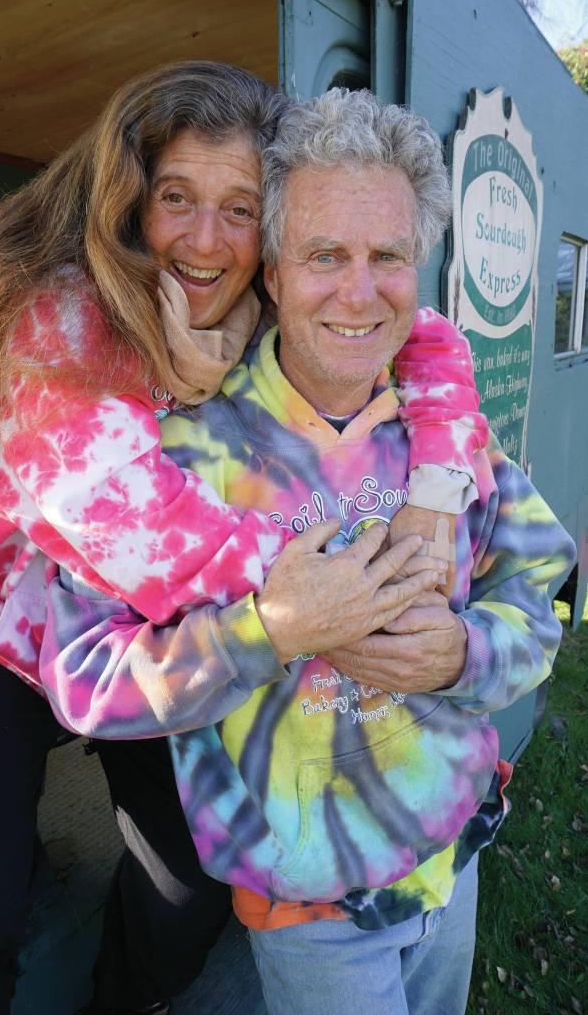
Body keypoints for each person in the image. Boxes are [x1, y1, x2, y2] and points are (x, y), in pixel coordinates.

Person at [0, 61, 482, 1015]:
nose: (205, 239)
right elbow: (163, 548)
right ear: (128, 202)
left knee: (188, 887)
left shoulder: (257, 305)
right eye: (176, 198)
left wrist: (433, 495)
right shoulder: (56, 319)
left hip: (146, 642)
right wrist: (369, 590)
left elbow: (427, 339)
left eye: (240, 207)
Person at [41, 87, 577, 1015]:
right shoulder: (176, 454)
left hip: (453, 860)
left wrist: (463, 652)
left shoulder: (449, 433)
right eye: (325, 255)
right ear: (275, 272)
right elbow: (83, 676)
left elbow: (543, 585)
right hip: (308, 909)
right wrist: (269, 629)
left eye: (389, 257)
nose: (359, 292)